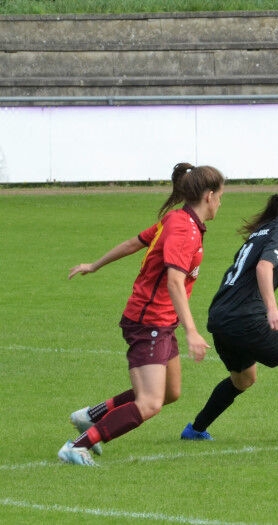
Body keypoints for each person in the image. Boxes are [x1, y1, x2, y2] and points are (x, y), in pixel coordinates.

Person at [58, 163, 225, 466]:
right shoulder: (184, 230)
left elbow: (134, 243)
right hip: (149, 322)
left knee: (170, 391)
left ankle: (90, 417)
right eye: (221, 197)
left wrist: (94, 265)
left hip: (162, 322)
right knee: (149, 403)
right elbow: (174, 281)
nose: (220, 204)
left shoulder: (176, 219)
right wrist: (191, 331)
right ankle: (77, 446)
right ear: (209, 196)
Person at [181, 186, 278, 443]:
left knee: (243, 379)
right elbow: (264, 267)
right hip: (245, 319)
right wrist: (272, 309)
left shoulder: (264, 230)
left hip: (221, 317)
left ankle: (195, 430)